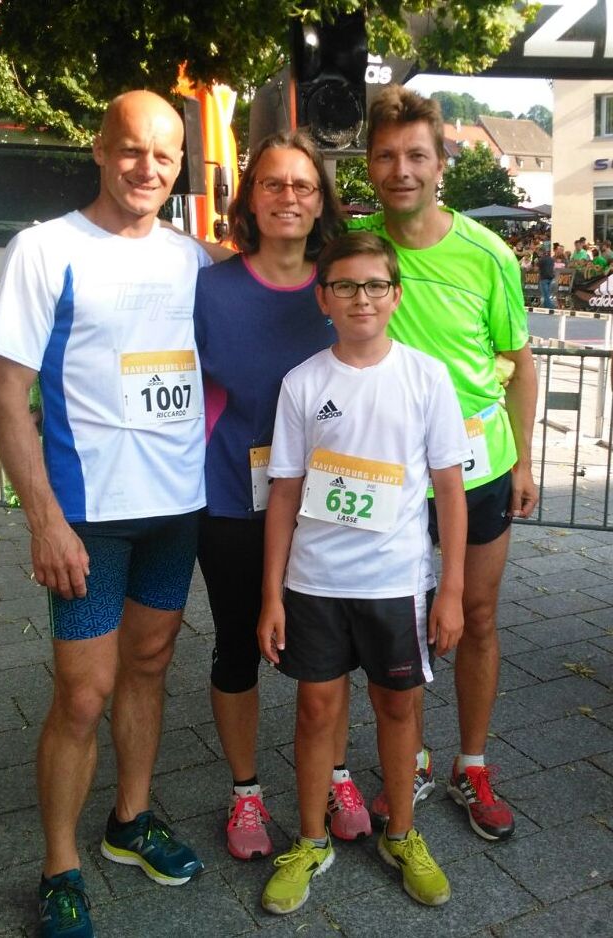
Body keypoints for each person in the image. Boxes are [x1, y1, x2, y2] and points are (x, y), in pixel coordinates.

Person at [0, 90, 214, 938]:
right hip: (88, 516)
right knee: (82, 696)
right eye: (130, 149)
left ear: (181, 166)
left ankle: (130, 821)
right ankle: (59, 865)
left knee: (150, 663)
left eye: (164, 155)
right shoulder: (46, 249)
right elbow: (6, 395)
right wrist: (42, 518)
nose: (146, 168)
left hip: (175, 509)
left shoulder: (195, 260)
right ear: (98, 148)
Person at [257, 232, 470, 913]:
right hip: (315, 581)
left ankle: (401, 834)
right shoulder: (303, 382)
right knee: (316, 709)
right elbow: (284, 492)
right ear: (323, 298)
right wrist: (271, 595)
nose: (362, 298)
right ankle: (311, 840)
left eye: (375, 285)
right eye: (345, 286)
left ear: (396, 295)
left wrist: (453, 590)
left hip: (397, 583)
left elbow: (450, 491)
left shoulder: (426, 377)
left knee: (399, 706)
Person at [349, 85, 538, 842]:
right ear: (369, 165)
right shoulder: (356, 247)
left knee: (476, 618)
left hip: (481, 468)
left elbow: (520, 364)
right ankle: (413, 762)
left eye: (416, 156)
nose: (401, 170)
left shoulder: (488, 254)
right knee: (399, 625)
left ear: (439, 165)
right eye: (386, 156)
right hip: (389, 477)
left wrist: (524, 463)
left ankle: (472, 762)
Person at [194, 131, 373, 861]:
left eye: (304, 185)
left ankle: (335, 776)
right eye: (273, 183)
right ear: (251, 196)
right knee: (238, 645)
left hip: (329, 504)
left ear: (322, 201)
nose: (289, 197)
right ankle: (246, 793)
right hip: (234, 498)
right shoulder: (211, 288)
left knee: (331, 653)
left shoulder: (341, 288)